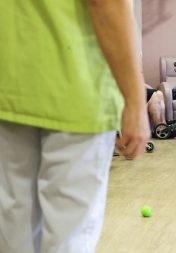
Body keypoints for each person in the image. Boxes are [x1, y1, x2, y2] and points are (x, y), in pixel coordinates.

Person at [0, 1, 150, 252]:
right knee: (69, 242)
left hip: (10, 86)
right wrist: (135, 99)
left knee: (13, 237)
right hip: (77, 89)